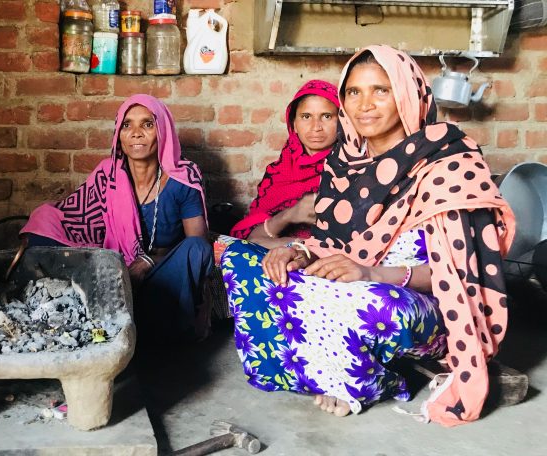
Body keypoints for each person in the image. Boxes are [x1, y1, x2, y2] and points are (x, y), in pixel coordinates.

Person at [217, 45, 514, 426]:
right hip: (351, 286)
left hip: (416, 306)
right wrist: (299, 254)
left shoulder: (446, 163)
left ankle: (372, 382)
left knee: (360, 300)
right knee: (243, 260)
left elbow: (459, 275)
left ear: (406, 94)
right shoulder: (344, 165)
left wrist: (371, 274)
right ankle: (307, 371)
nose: (364, 105)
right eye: (354, 92)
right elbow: (331, 246)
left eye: (380, 90)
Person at [22, 94, 213, 343]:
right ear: (118, 135)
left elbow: (197, 245)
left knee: (197, 249)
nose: (136, 133)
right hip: (115, 279)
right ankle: (113, 320)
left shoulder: (182, 177)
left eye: (147, 124)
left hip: (163, 279)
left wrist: (148, 261)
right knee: (43, 222)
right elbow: (71, 218)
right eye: (127, 125)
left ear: (163, 131)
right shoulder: (108, 176)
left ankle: (150, 329)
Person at [229, 80, 339, 249]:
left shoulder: (352, 168)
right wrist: (290, 215)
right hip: (279, 252)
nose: (316, 127)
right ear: (294, 124)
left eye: (327, 116)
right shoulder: (279, 172)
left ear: (341, 122)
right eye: (306, 117)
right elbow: (253, 236)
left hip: (329, 258)